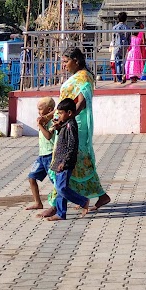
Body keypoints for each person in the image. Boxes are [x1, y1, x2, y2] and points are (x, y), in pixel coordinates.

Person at [47, 47, 110, 214]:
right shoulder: (78, 77)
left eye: (66, 62)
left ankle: (56, 205)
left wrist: (66, 119)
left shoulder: (83, 77)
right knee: (78, 163)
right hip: (68, 121)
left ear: (76, 60)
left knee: (65, 160)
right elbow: (65, 101)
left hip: (76, 125)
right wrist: (50, 116)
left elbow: (81, 102)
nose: (64, 66)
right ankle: (99, 195)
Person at [45, 98, 91, 221]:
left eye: (61, 113)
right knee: (59, 188)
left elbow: (72, 145)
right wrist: (58, 127)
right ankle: (61, 213)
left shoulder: (71, 125)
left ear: (69, 113)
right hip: (59, 160)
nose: (59, 115)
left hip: (64, 162)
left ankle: (83, 201)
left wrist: (64, 162)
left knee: (61, 188)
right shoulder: (66, 124)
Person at [25, 98, 57, 211]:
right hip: (42, 155)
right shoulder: (43, 120)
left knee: (56, 182)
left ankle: (77, 200)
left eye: (40, 109)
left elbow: (48, 136)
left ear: (49, 109)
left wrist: (40, 126)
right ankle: (38, 202)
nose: (38, 112)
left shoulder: (54, 121)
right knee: (31, 177)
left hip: (51, 155)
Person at [110, 12, 131, 82]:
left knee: (117, 61)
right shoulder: (127, 28)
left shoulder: (115, 27)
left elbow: (113, 39)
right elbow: (129, 38)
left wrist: (114, 44)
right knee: (122, 61)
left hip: (117, 46)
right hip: (124, 46)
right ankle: (123, 74)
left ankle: (119, 77)